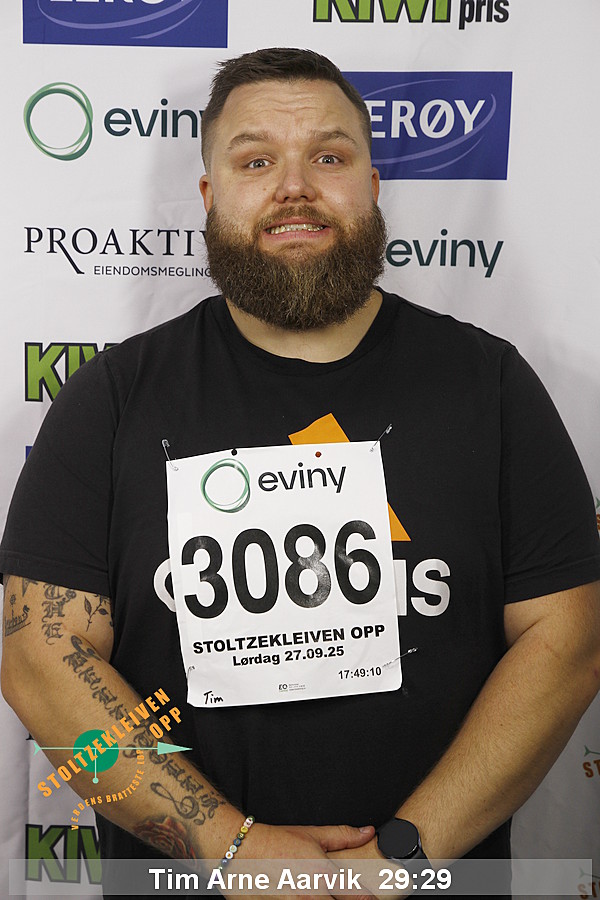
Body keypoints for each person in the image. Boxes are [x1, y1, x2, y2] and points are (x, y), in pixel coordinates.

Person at [2, 47, 600, 897]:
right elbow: (40, 657)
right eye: (255, 162)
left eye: (329, 156)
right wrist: (231, 851)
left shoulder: (491, 385)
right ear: (209, 196)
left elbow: (567, 641)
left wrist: (398, 860)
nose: (294, 187)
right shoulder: (113, 398)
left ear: (372, 185)